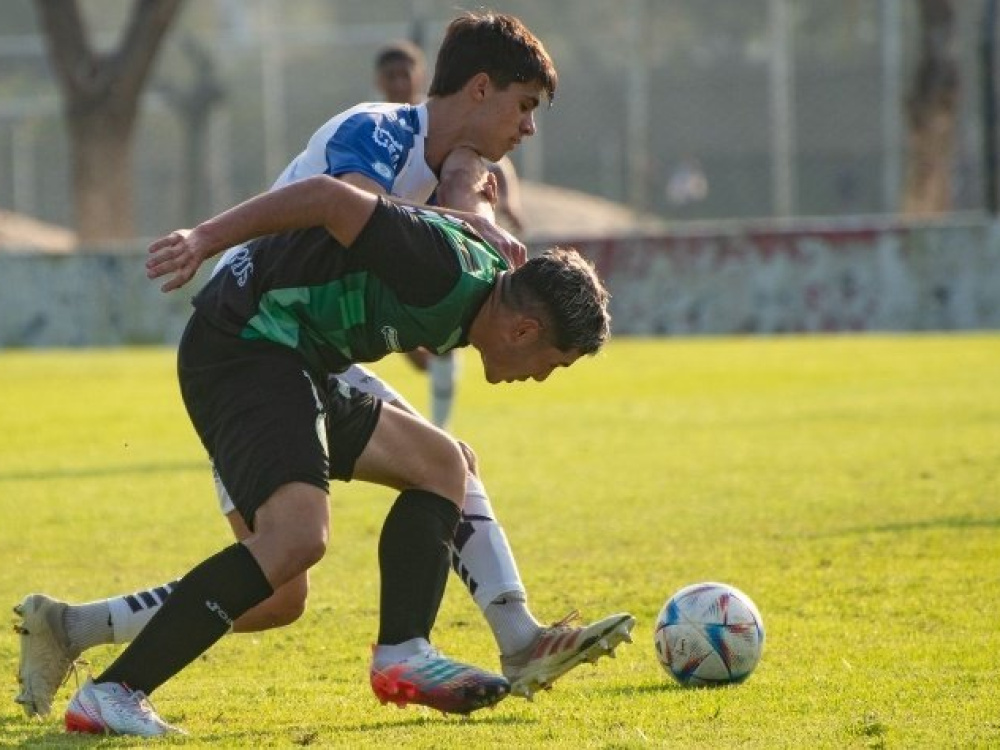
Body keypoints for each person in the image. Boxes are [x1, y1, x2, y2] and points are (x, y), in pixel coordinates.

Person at [14, 10, 634, 729]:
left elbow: (445, 212)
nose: (529, 128)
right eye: (524, 107)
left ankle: (436, 646)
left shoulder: (463, 190)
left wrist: (469, 203)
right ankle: (113, 690)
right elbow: (338, 206)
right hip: (250, 335)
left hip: (302, 352)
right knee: (291, 545)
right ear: (481, 88)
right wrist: (204, 236)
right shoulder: (379, 139)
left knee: (436, 470)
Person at [373, 38, 526, 429]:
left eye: (403, 73)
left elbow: (488, 158)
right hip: (392, 233)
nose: (397, 82)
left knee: (437, 333)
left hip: (441, 234)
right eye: (390, 75)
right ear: (379, 80)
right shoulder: (379, 123)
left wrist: (505, 205)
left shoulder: (437, 118)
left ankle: (439, 427)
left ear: (418, 75)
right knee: (412, 348)